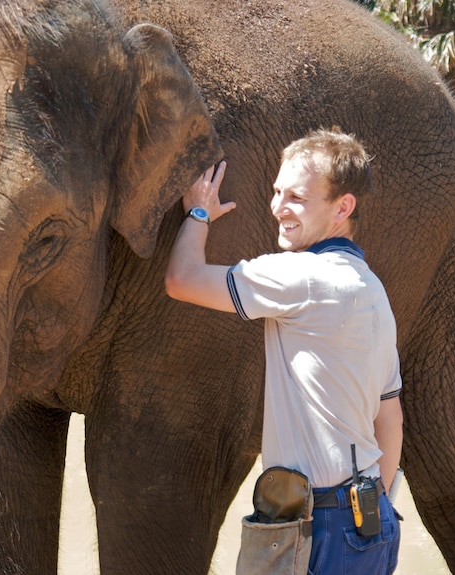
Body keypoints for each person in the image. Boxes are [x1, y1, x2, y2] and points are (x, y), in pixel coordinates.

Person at [164, 128, 403, 574]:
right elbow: (390, 419)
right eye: (276, 191)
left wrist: (198, 212)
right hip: (373, 521)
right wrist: (372, 510)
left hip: (319, 527)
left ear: (342, 208)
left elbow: (182, 279)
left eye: (296, 196)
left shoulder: (301, 277)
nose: (277, 207)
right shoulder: (374, 293)